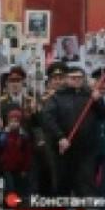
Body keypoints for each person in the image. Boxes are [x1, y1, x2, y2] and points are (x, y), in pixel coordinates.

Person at [41, 64, 99, 197]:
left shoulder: (89, 96)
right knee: (63, 185)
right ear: (67, 79)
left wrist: (98, 100)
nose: (77, 80)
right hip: (63, 149)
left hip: (86, 150)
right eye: (73, 78)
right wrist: (60, 137)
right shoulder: (57, 97)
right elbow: (48, 119)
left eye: (80, 78)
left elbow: (103, 114)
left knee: (85, 185)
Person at [0, 108, 33, 202]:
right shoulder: (3, 135)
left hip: (19, 167)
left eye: (16, 121)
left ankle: (16, 204)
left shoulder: (23, 136)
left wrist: (25, 168)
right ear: (8, 121)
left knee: (18, 187)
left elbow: (27, 154)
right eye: (11, 121)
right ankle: (10, 204)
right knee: (10, 187)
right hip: (6, 167)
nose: (13, 123)